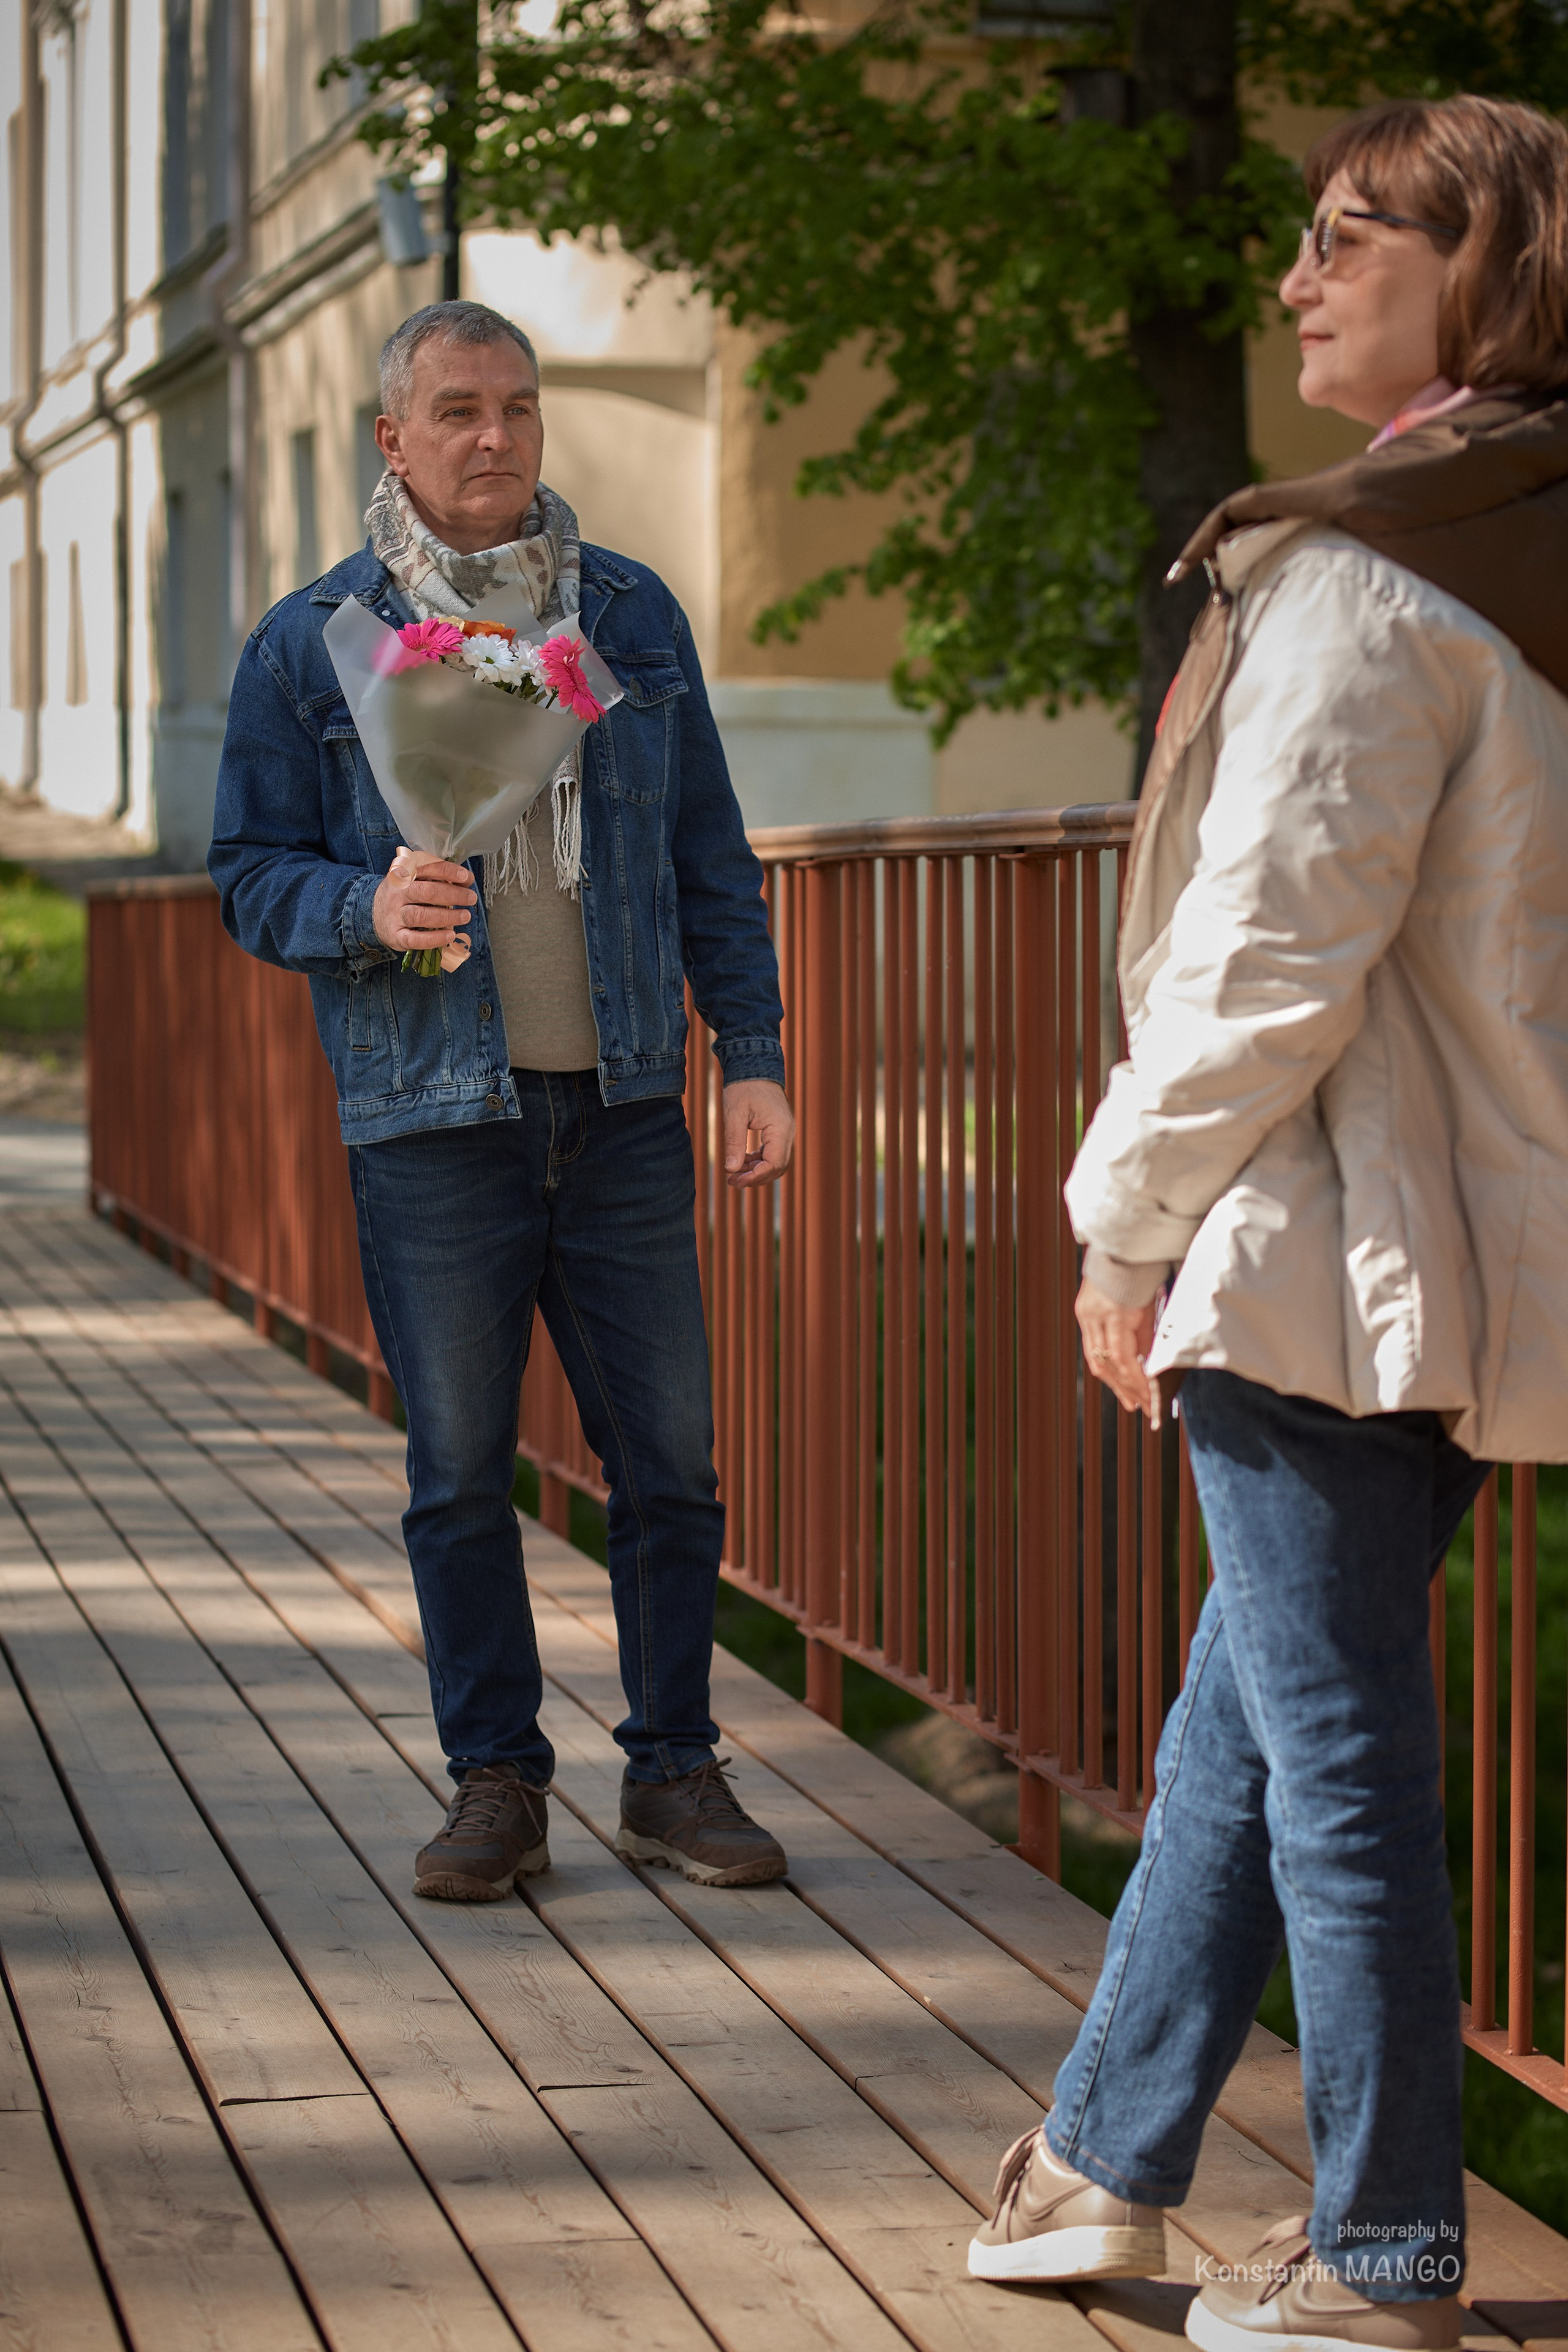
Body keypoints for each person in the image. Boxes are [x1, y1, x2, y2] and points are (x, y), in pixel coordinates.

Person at [968, 94, 1568, 2351]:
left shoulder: (1388, 563)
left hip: (1321, 1238)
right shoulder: (1526, 535)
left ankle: (1389, 2246)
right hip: (1448, 1251)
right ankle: (1103, 2170)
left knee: (1327, 1755)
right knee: (1251, 1714)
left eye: (1346, 240)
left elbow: (1264, 953)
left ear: (1481, 268)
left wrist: (1121, 1219)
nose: (1298, 279)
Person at [210, 300, 796, 1899]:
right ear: (393, 438)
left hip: (620, 1105)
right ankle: (497, 1782)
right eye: (459, 410)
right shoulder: (313, 638)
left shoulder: (626, 615)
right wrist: (358, 908)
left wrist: (753, 1055)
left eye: (518, 408)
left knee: (670, 1461)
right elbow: (248, 871)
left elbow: (708, 859)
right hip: (432, 1112)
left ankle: (675, 1772)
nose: (496, 436)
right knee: (460, 1469)